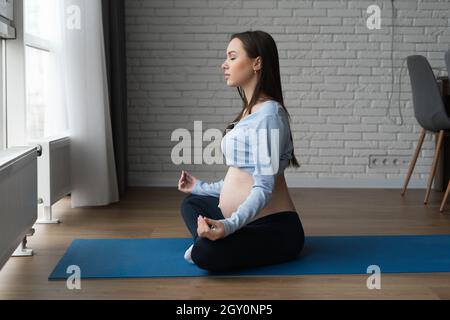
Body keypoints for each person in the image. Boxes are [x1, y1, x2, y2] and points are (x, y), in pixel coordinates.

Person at [177, 30, 305, 272]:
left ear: (257, 63)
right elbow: (239, 178)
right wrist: (199, 186)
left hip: (275, 227)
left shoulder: (269, 116)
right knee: (192, 203)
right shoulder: (250, 111)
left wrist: (228, 225)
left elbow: (264, 188)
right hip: (246, 220)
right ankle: (215, 237)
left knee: (205, 253)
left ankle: (209, 241)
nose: (224, 64)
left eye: (232, 57)